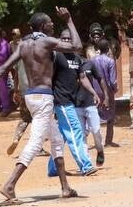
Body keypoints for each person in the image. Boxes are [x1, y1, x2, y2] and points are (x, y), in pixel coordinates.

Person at [0, 8, 82, 203]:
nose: (53, 25)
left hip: (31, 97)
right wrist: (69, 20)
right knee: (36, 143)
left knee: (56, 138)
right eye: (51, 24)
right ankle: (10, 185)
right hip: (44, 98)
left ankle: (65, 187)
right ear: (44, 26)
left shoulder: (23, 45)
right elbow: (77, 46)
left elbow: (3, 68)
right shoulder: (47, 42)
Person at [47, 30, 97, 177]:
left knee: (61, 136)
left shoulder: (77, 57)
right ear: (59, 40)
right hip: (61, 101)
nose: (67, 41)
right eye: (64, 39)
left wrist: (93, 92)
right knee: (75, 131)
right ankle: (85, 165)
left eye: (69, 39)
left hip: (71, 101)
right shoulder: (56, 56)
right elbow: (48, 78)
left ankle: (53, 168)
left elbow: (82, 78)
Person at [70, 39, 106, 168]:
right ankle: (87, 163)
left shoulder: (89, 64)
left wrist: (105, 96)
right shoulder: (69, 67)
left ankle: (100, 150)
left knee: (96, 130)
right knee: (81, 134)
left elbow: (100, 79)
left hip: (90, 102)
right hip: (76, 104)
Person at [90, 36, 119, 149]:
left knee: (95, 115)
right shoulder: (110, 61)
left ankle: (97, 141)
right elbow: (112, 80)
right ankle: (108, 140)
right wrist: (114, 89)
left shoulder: (92, 61)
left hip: (96, 91)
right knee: (110, 116)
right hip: (108, 91)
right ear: (108, 48)